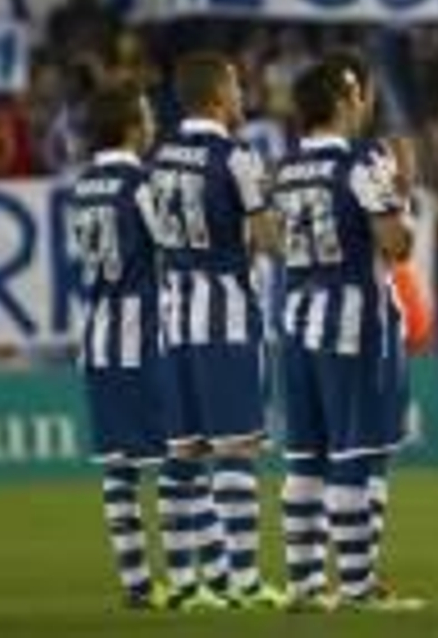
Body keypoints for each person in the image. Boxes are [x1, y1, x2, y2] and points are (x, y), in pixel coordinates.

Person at [274, 61, 423, 612]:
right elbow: (398, 244)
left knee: (305, 458)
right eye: (359, 94)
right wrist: (403, 190)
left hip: (296, 320)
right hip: (352, 323)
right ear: (343, 101)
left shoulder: (287, 168)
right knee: (354, 453)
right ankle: (358, 587)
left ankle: (304, 584)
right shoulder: (360, 162)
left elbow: (270, 240)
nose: (365, 103)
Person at [148, 52, 283, 609]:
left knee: (183, 454)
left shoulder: (159, 158)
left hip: (175, 316)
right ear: (219, 95)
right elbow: (268, 239)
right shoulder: (236, 155)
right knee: (235, 450)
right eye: (236, 83)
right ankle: (245, 581)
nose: (243, 91)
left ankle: (183, 582)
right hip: (224, 314)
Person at [67, 83, 172, 610]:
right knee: (179, 458)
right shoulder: (141, 183)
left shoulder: (83, 186)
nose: (154, 123)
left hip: (98, 338)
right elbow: (173, 247)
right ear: (132, 125)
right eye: (148, 114)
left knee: (118, 469)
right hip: (143, 337)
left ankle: (136, 584)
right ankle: (190, 577)